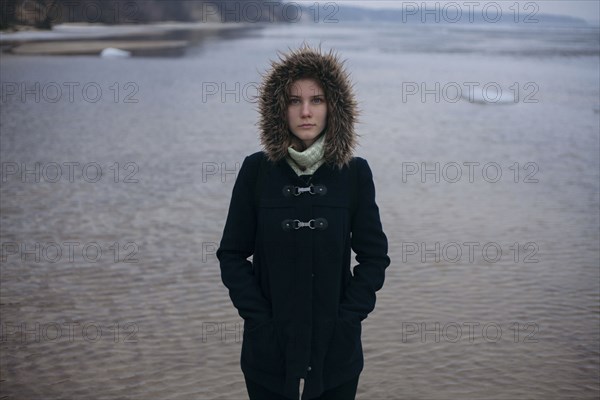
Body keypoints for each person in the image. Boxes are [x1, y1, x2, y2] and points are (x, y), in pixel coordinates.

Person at [217, 45, 390, 400]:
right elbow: (232, 255)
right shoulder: (256, 171)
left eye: (318, 100)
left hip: (337, 349)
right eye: (294, 101)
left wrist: (348, 320)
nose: (306, 111)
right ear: (279, 109)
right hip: (267, 349)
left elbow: (374, 258)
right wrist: (258, 320)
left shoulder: (354, 173)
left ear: (334, 108)